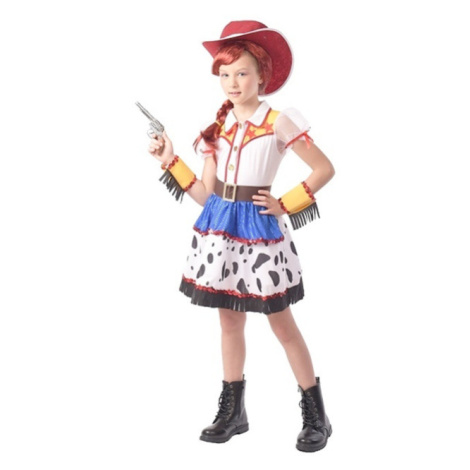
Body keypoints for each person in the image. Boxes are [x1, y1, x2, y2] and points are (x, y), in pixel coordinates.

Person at [147, 20, 335, 453]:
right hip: (221, 229)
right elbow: (205, 195)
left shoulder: (279, 122)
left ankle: (316, 414)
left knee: (282, 323)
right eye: (225, 74)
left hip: (259, 231)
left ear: (262, 75)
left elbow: (324, 168)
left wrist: (285, 204)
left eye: (242, 73)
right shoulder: (216, 130)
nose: (232, 83)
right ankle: (233, 411)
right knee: (229, 320)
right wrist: (170, 159)